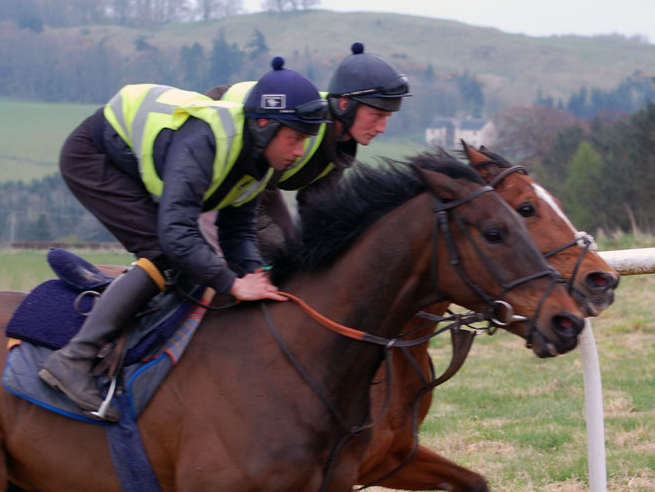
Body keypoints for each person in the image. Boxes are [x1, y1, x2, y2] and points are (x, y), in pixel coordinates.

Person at [38, 57, 330, 421]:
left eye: (306, 140)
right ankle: (74, 358)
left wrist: (255, 276)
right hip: (94, 156)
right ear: (265, 124)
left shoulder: (261, 159)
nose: (301, 151)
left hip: (134, 160)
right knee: (165, 255)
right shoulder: (208, 140)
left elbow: (237, 230)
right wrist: (231, 284)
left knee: (192, 264)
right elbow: (177, 235)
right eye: (296, 138)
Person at [203, 42, 411, 259]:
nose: (382, 128)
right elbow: (251, 209)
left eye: (386, 118)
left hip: (263, 185)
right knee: (258, 253)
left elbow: (317, 209)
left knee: (292, 250)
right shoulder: (303, 126)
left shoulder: (342, 146)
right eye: (376, 116)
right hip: (216, 151)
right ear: (344, 104)